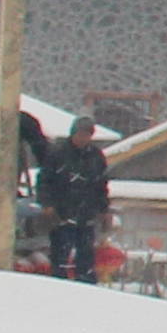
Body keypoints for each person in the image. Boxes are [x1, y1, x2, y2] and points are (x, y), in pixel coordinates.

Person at [34, 114, 111, 283]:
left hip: (87, 215)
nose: (83, 138)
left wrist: (104, 210)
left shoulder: (96, 156)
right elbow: (44, 181)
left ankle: (86, 286)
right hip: (62, 215)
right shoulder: (57, 153)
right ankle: (58, 285)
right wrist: (47, 205)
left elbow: (101, 185)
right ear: (73, 133)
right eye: (81, 134)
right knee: (60, 257)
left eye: (87, 135)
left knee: (86, 258)